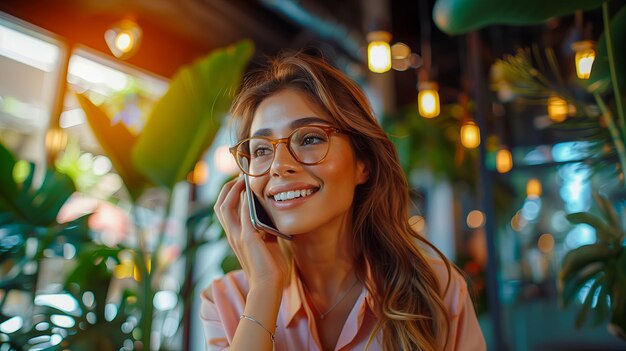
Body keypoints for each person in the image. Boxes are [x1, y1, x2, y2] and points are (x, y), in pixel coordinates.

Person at [200, 52, 486, 351]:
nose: (278, 166)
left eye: (310, 139)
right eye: (260, 150)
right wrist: (265, 289)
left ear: (363, 163)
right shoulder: (226, 301)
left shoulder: (438, 289)